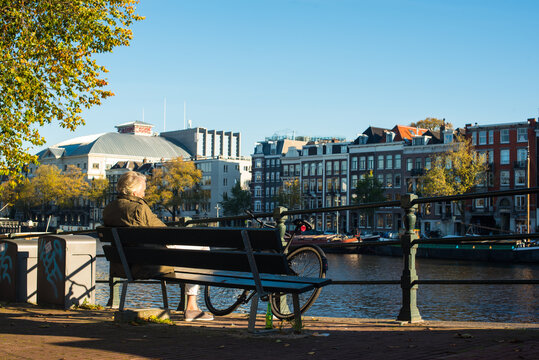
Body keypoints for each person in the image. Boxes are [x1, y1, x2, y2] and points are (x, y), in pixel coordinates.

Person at [103, 171, 214, 321]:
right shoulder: (139, 208)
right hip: (148, 264)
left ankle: (191, 307)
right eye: (143, 189)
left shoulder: (109, 209)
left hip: (124, 265)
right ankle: (191, 307)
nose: (144, 193)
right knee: (201, 249)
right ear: (134, 191)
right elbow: (164, 233)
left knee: (188, 252)